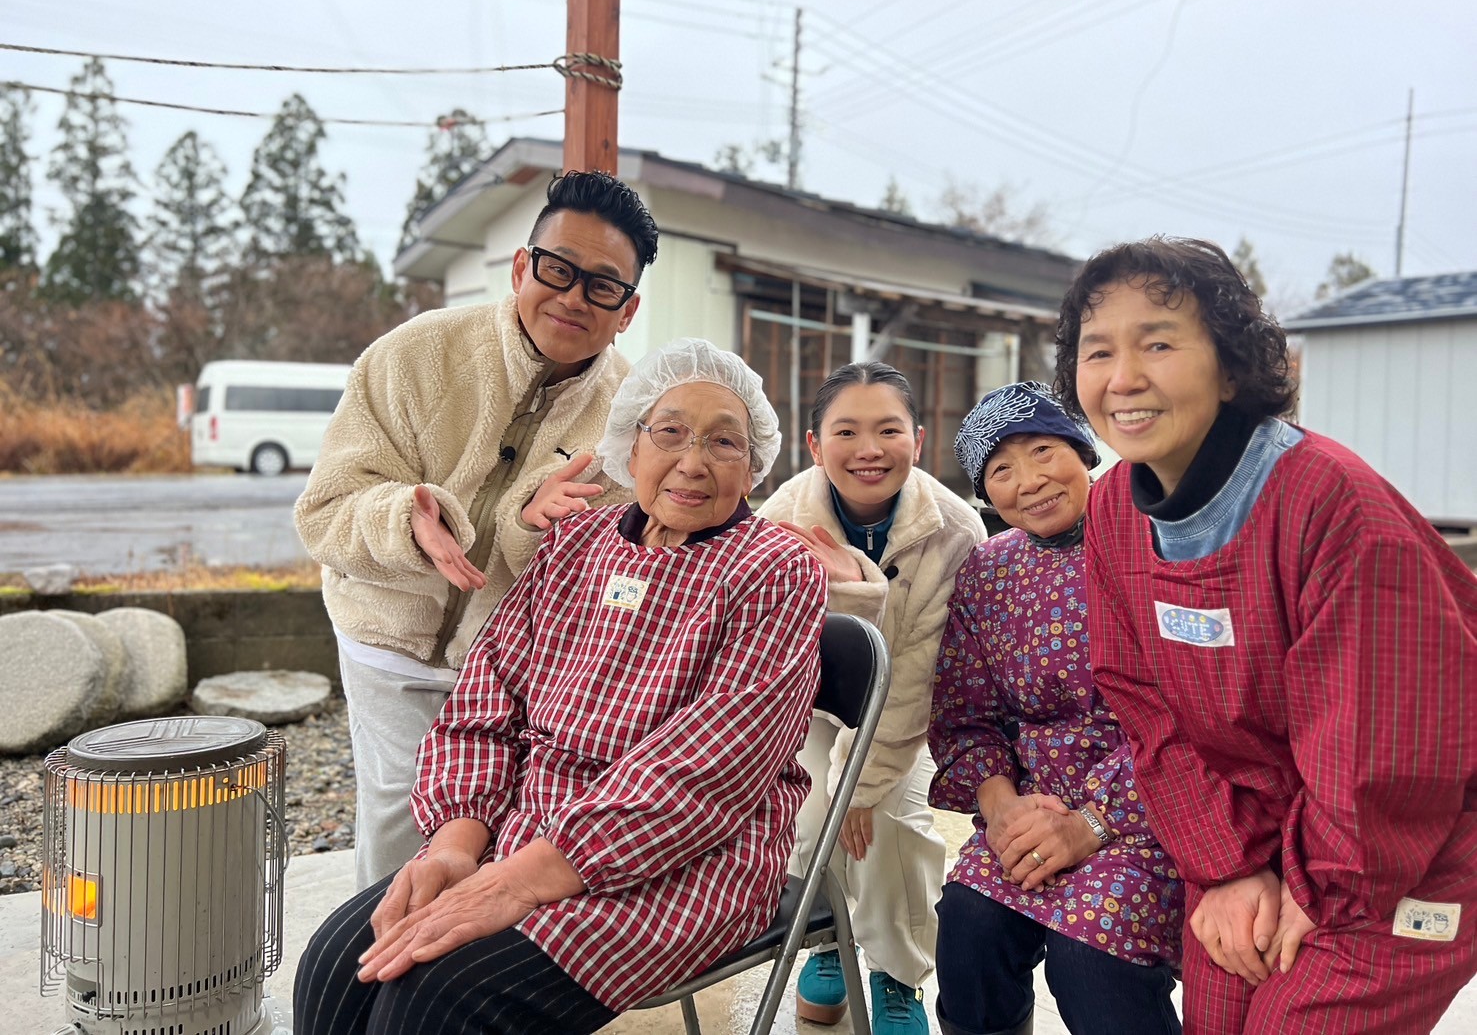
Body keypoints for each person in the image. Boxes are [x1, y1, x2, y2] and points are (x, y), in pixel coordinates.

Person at [293, 337, 828, 1035]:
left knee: (437, 1000)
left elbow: (706, 773)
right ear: (628, 447)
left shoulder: (776, 569)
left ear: (754, 465)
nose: (692, 462)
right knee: (336, 962)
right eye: (669, 432)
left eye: (724, 443)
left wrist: (511, 883)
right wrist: (457, 846)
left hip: (692, 855)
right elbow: (486, 699)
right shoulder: (579, 543)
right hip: (525, 824)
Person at [1055, 236, 1477, 1034]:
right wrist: (1228, 867)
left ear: (1231, 364)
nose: (1122, 379)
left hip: (1409, 837)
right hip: (1256, 831)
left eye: (1158, 343)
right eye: (1096, 351)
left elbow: (1381, 751)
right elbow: (1144, 708)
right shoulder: (1112, 510)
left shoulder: (1328, 503)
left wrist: (1316, 891)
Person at [294, 170, 658, 888]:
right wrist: (404, 521)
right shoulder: (416, 355)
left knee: (503, 839)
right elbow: (326, 510)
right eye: (557, 269)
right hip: (387, 639)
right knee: (403, 825)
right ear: (522, 266)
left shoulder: (630, 416)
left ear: (627, 309)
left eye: (602, 286)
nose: (572, 296)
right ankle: (368, 978)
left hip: (512, 671)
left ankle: (453, 993)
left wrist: (527, 527)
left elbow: (614, 579)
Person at [928, 381, 1184, 1035]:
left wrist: (1092, 823)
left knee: (1089, 962)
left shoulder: (1155, 542)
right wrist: (1003, 810)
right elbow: (967, 716)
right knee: (968, 927)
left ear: (1082, 452)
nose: (1029, 480)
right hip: (1031, 810)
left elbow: (1189, 712)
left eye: (1043, 451)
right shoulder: (986, 571)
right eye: (1001, 469)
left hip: (1148, 807)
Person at [759, 361, 986, 1034]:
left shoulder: (954, 532)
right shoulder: (779, 521)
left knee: (888, 826)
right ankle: (826, 943)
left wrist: (860, 784)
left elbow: (915, 674)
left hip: (903, 717)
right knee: (807, 818)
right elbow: (771, 655)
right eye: (846, 431)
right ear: (813, 444)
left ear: (916, 442)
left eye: (887, 430)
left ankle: (896, 972)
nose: (867, 450)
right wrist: (829, 786)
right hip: (804, 709)